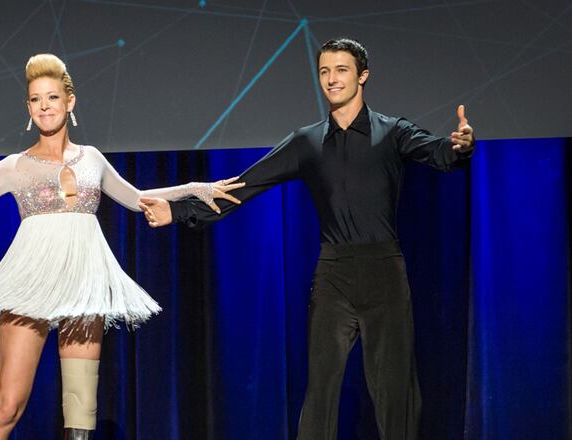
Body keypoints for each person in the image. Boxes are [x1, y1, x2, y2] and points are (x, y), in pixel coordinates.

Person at [139, 38, 475, 440]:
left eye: (341, 70)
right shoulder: (307, 142)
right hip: (333, 276)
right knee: (320, 392)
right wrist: (177, 211)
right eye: (324, 72)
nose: (331, 79)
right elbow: (245, 185)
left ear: (363, 76)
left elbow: (438, 151)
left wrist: (460, 147)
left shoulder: (392, 132)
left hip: (384, 274)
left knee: (395, 392)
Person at [0, 53, 243, 440]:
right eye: (35, 99)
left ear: (70, 102)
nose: (44, 106)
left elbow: (137, 199)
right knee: (8, 406)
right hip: (29, 285)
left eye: (52, 97)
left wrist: (194, 188)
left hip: (82, 287)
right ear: (28, 108)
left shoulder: (92, 159)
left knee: (80, 417)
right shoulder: (15, 166)